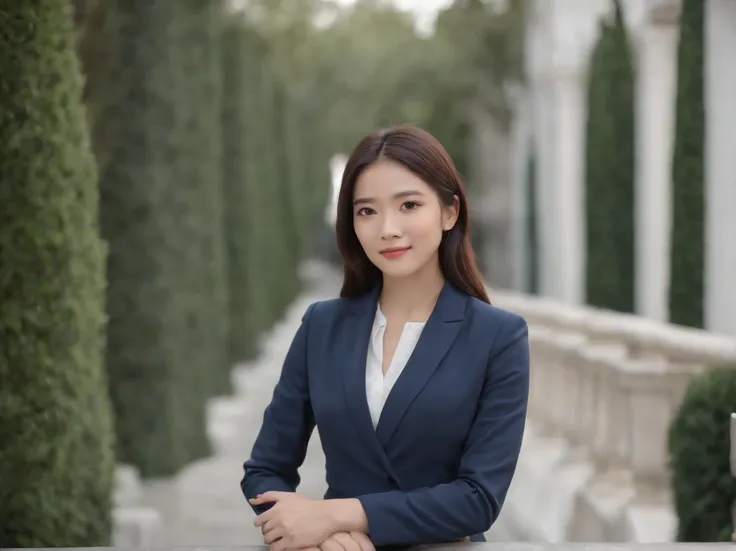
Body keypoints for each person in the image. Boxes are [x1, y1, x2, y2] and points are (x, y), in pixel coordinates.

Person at [241, 125, 530, 551]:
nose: (387, 229)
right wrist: (313, 533)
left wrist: (339, 516)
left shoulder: (498, 336)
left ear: (450, 212)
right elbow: (264, 469)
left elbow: (479, 499)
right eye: (367, 211)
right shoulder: (321, 326)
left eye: (409, 205)